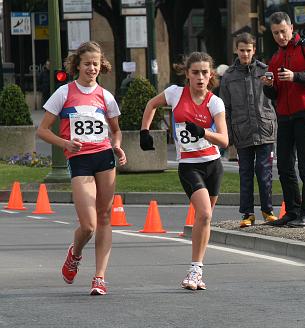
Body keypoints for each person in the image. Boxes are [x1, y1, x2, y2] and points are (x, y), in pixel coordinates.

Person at [36, 41, 126, 296]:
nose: (92, 68)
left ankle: (100, 277)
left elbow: (116, 131)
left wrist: (118, 147)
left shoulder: (106, 96)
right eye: (87, 63)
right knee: (88, 225)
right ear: (78, 65)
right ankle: (74, 254)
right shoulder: (64, 93)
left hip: (104, 158)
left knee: (106, 217)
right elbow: (42, 130)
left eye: (96, 64)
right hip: (80, 160)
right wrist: (65, 143)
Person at [139, 52, 228, 290]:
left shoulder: (214, 102)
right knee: (205, 214)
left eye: (205, 73)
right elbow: (151, 104)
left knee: (204, 219)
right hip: (189, 166)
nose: (200, 77)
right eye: (195, 72)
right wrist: (144, 131)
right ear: (187, 73)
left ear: (211, 76)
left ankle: (196, 269)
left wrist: (203, 132)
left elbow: (224, 140)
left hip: (213, 165)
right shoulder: (175, 94)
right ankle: (194, 271)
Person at [262, 11, 305, 228]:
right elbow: (274, 94)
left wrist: (295, 76)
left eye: (283, 31)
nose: (280, 36)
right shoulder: (276, 57)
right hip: (285, 116)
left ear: (291, 28)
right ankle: (293, 211)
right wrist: (268, 85)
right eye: (275, 33)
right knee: (284, 166)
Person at [220, 32, 278, 228]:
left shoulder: (266, 71)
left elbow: (275, 98)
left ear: (254, 50)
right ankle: (247, 213)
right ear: (236, 50)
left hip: (265, 129)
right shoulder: (228, 76)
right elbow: (225, 108)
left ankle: (267, 210)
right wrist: (226, 135)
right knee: (245, 173)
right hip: (241, 130)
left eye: (249, 50)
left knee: (264, 172)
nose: (245, 54)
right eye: (242, 50)